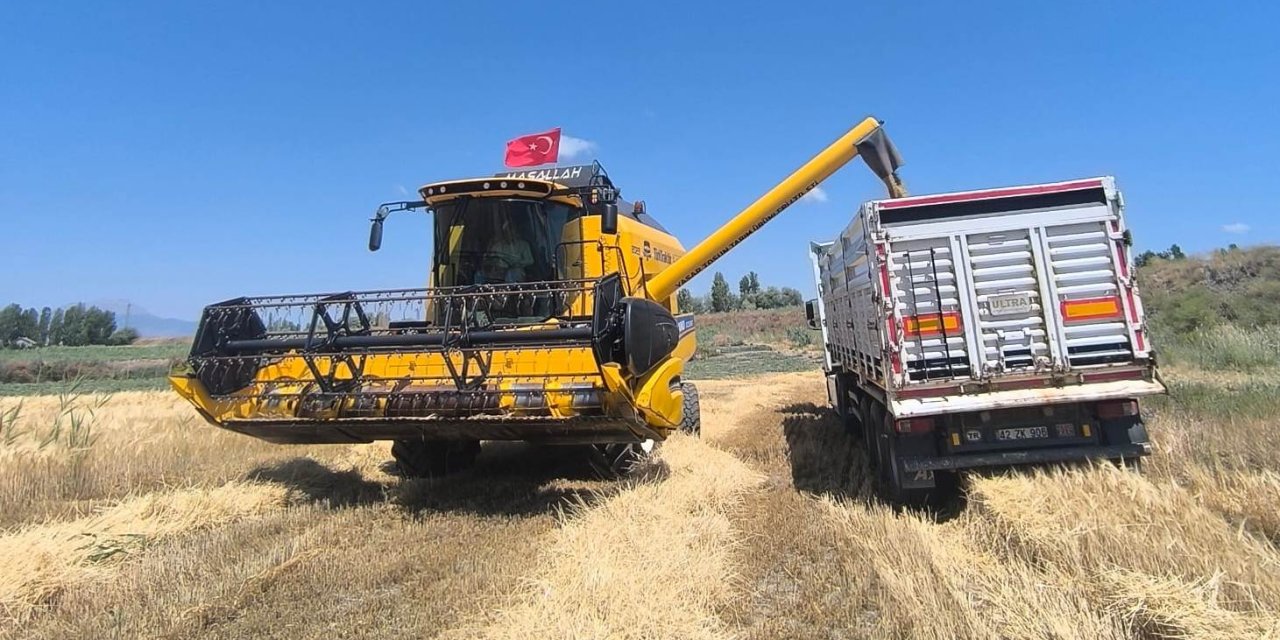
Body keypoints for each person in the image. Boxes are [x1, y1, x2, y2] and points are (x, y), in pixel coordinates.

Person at [478, 216, 533, 284]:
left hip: (516, 273)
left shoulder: (524, 245)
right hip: (498, 272)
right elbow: (489, 259)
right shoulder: (497, 245)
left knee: (512, 273)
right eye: (507, 230)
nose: (510, 233)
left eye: (511, 230)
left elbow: (530, 261)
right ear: (504, 232)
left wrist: (516, 264)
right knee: (479, 274)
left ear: (516, 231)